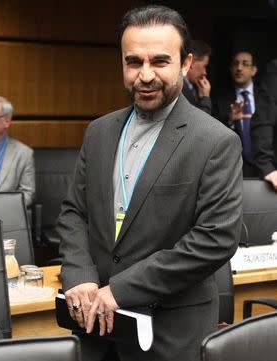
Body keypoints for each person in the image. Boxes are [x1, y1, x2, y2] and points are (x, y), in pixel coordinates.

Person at [56, 5, 242, 361]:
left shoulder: (215, 141)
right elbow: (73, 213)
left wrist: (120, 290)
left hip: (169, 335)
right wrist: (79, 274)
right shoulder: (98, 132)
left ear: (185, 64)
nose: (145, 75)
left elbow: (215, 240)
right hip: (94, 332)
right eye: (133, 62)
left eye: (159, 61)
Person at [213, 51, 277, 186]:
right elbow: (213, 136)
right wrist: (230, 120)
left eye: (245, 64)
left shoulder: (267, 96)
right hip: (237, 173)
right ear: (230, 68)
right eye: (235, 64)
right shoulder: (220, 99)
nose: (239, 68)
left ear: (253, 70)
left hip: (271, 169)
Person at [182, 39, 212, 114]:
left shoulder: (194, 89)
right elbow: (200, 123)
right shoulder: (179, 89)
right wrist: (205, 98)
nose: (205, 73)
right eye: (204, 66)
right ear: (191, 62)